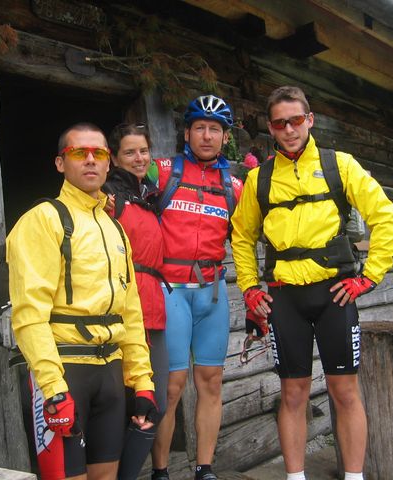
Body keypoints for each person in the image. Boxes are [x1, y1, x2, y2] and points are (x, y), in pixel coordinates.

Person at [231, 86, 393, 480]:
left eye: (295, 120)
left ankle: (354, 477)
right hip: (284, 298)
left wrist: (369, 276)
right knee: (292, 394)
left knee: (345, 392)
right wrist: (250, 287)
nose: (289, 129)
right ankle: (296, 477)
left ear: (309, 119)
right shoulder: (259, 179)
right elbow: (241, 236)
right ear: (271, 128)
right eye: (279, 123)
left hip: (335, 295)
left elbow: (385, 218)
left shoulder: (340, 165)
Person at [7, 122, 159, 480]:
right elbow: (29, 314)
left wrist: (143, 382)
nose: (90, 160)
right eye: (79, 152)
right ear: (61, 163)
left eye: (99, 153)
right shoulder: (43, 219)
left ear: (109, 163)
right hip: (65, 371)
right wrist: (53, 389)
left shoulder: (114, 228)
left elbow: (130, 312)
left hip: (110, 373)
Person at [150, 95, 243, 480]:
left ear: (225, 137)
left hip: (212, 294)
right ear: (187, 133)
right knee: (171, 386)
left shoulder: (234, 186)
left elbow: (248, 237)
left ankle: (204, 468)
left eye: (215, 129)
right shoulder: (161, 172)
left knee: (211, 381)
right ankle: (160, 471)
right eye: (200, 128)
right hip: (170, 290)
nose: (207, 136)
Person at [103, 123, 169, 480]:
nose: (139, 158)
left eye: (143, 151)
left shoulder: (151, 197)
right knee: (119, 406)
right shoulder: (107, 195)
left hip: (153, 308)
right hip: (121, 312)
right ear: (115, 158)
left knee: (153, 403)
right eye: (129, 152)